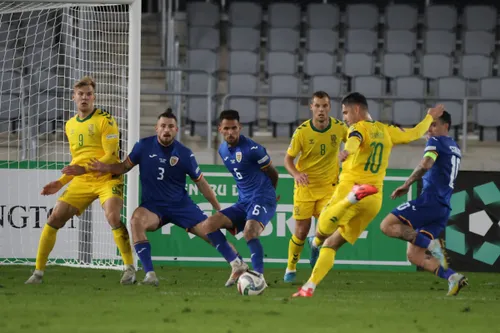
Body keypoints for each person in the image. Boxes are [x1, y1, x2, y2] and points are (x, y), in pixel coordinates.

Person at [293, 92, 446, 297]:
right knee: (332, 244)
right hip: (373, 199)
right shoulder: (387, 130)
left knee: (322, 228)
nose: (345, 118)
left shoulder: (357, 128)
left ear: (357, 110)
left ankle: (324, 231)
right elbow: (414, 133)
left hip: (351, 188)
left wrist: (347, 151)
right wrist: (429, 117)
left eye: (346, 113)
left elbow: (354, 140)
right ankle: (309, 286)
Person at [90, 109, 242, 286]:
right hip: (153, 207)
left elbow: (201, 183)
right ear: (156, 128)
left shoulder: (184, 154)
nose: (166, 130)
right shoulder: (143, 146)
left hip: (181, 206)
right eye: (163, 126)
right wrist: (105, 168)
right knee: (135, 221)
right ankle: (150, 274)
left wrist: (218, 207)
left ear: (176, 130)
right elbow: (123, 167)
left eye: (170, 126)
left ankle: (238, 264)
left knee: (210, 231)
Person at [26, 76, 135, 284]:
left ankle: (129, 268)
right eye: (81, 94)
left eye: (89, 94)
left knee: (113, 216)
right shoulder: (70, 125)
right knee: (54, 218)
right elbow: (76, 161)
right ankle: (38, 273)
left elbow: (110, 156)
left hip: (107, 177)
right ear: (73, 97)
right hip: (83, 180)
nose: (85, 98)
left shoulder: (106, 120)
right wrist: (60, 182)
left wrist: (82, 169)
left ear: (94, 97)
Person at [380, 111, 468, 296]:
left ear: (446, 126)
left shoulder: (436, 141)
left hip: (430, 201)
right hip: (443, 207)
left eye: (434, 125)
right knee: (414, 255)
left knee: (387, 225)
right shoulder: (455, 147)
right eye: (429, 125)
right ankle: (453, 277)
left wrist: (407, 184)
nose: (430, 129)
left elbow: (426, 164)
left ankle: (431, 245)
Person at [198, 110, 279, 288]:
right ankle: (237, 264)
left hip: (262, 198)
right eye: (226, 128)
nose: (230, 132)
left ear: (240, 127)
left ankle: (258, 277)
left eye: (234, 128)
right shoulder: (222, 150)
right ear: (220, 129)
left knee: (250, 231)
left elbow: (273, 174)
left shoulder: (253, 149)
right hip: (243, 202)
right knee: (208, 225)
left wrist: (269, 196)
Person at [283, 91, 348, 283]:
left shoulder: (339, 127)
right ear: (311, 107)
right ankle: (291, 267)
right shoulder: (302, 132)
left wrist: (348, 154)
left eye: (324, 106)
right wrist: (296, 174)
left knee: (329, 226)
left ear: (329, 107)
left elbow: (355, 142)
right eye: (317, 106)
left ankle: (315, 244)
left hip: (329, 187)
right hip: (305, 188)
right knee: (301, 231)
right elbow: (288, 159)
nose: (321, 110)